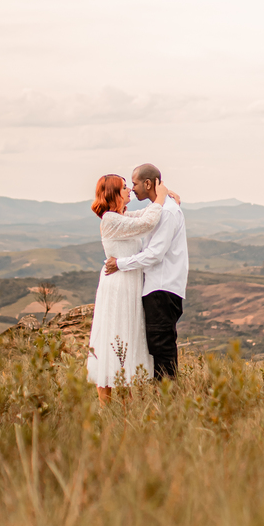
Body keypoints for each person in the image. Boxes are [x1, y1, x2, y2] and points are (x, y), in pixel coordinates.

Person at [86, 172, 173, 404]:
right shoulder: (110, 220)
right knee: (115, 337)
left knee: (127, 336)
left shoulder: (120, 216)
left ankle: (124, 403)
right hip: (119, 287)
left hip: (130, 285)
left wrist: (163, 196)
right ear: (113, 193)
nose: (129, 190)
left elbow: (145, 213)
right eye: (124, 187)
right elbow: (147, 223)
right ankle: (107, 406)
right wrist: (161, 198)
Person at [103, 162, 189, 381]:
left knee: (161, 346)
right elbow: (140, 218)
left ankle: (167, 394)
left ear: (148, 183)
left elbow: (154, 254)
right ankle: (164, 393)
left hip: (162, 287)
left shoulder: (167, 212)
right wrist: (164, 195)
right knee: (158, 345)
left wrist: (120, 264)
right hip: (159, 286)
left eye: (134, 183)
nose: (132, 189)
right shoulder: (161, 209)